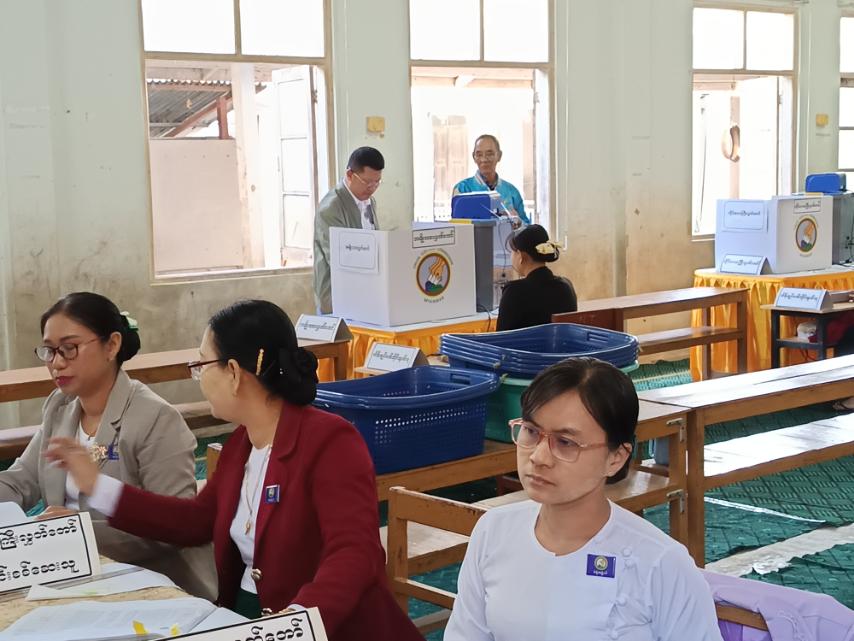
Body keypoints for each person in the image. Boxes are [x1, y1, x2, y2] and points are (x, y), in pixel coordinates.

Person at [46, 300, 423, 641]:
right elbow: (195, 522)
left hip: (330, 629)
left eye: (201, 365)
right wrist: (99, 487)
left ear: (233, 372)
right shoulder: (242, 443)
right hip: (247, 619)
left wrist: (294, 624)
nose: (198, 377)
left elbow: (354, 553)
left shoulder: (331, 441)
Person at [444, 358, 723, 641]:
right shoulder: (493, 531)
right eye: (531, 431)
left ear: (615, 458)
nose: (539, 457)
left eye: (566, 442)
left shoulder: (661, 563)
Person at [0, 292, 215, 599]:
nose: (57, 363)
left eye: (69, 349)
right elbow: (21, 481)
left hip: (151, 582)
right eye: (49, 351)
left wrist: (77, 532)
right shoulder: (61, 406)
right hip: (72, 571)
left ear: (111, 345)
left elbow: (172, 529)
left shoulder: (155, 418)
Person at [313, 147, 385, 314]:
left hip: (367, 294)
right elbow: (341, 259)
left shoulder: (369, 202)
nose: (372, 188)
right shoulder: (331, 208)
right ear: (350, 175)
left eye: (377, 182)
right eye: (367, 182)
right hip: (337, 298)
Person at [496, 224, 577, 331]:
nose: (511, 256)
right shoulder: (566, 286)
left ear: (521, 256)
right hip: (559, 342)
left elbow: (502, 336)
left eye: (512, 252)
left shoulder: (514, 292)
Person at [453, 134, 530, 225]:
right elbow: (456, 226)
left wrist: (517, 221)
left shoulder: (512, 191)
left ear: (499, 156)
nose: (484, 159)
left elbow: (527, 227)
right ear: (474, 157)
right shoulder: (462, 189)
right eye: (479, 155)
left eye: (489, 154)